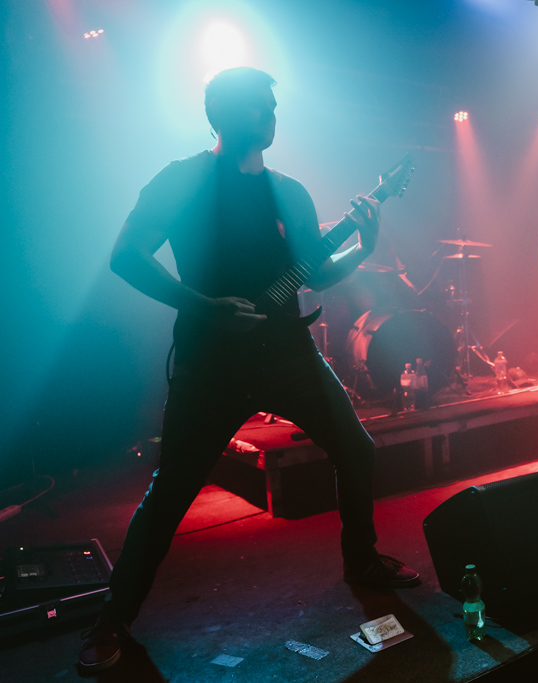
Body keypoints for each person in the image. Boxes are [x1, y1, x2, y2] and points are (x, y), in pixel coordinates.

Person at [78, 67, 418, 673]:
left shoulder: (289, 191)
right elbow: (125, 256)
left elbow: (315, 274)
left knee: (356, 449)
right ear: (223, 114)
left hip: (289, 352)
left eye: (273, 106)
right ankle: (113, 617)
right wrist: (203, 306)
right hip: (211, 360)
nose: (271, 115)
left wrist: (362, 248)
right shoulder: (181, 180)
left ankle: (361, 559)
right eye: (260, 106)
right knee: (171, 492)